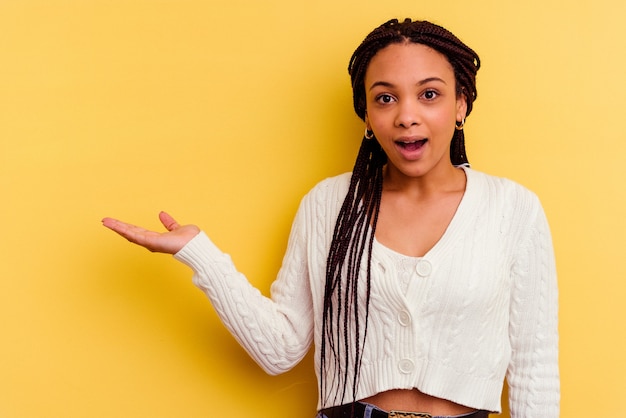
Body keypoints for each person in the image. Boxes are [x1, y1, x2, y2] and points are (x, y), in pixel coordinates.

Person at [102, 18, 559, 418]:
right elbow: (280, 350)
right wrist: (199, 254)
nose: (407, 116)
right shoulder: (328, 205)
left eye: (430, 94)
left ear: (460, 105)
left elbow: (534, 366)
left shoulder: (512, 209)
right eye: (385, 98)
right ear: (365, 114)